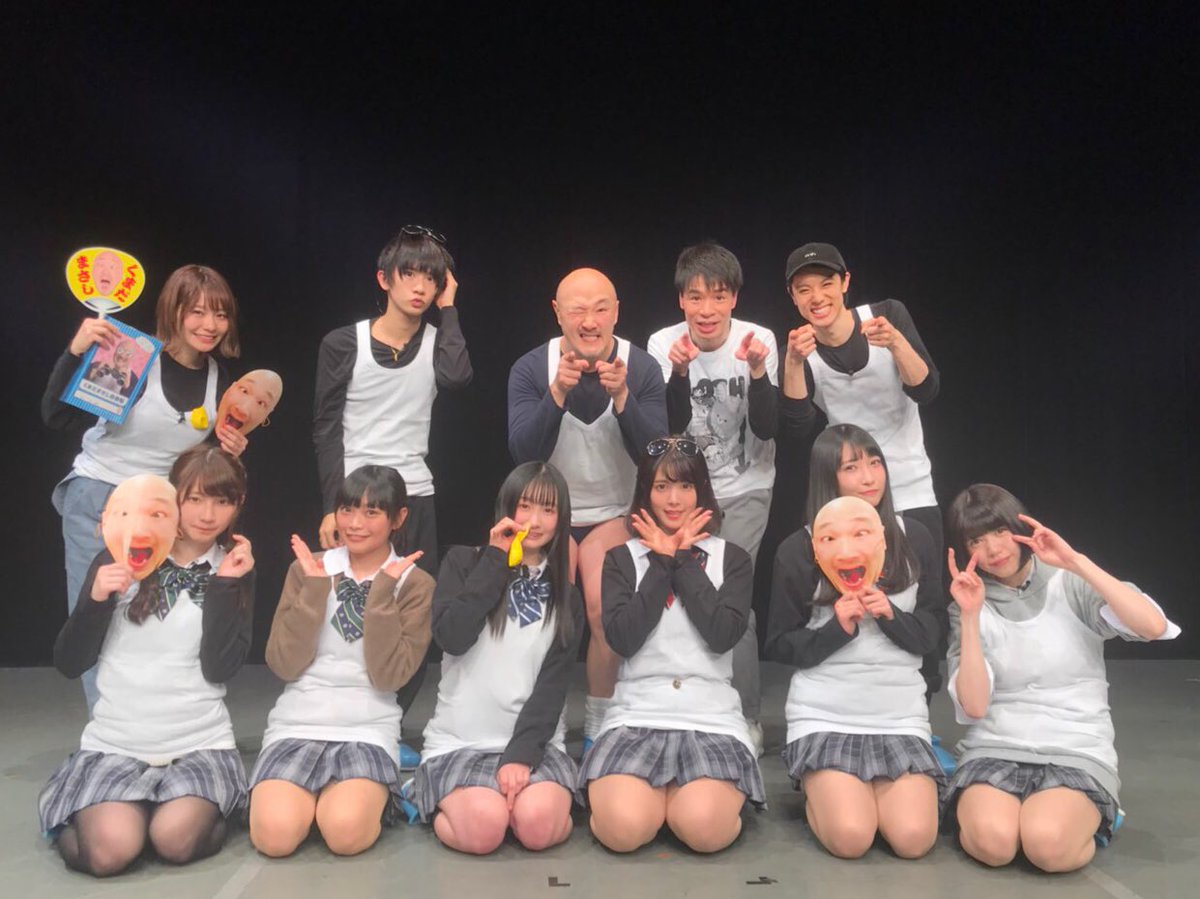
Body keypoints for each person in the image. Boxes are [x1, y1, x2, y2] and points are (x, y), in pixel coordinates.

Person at [38, 455, 255, 877]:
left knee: (174, 841)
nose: (207, 515)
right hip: (117, 742)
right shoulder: (120, 555)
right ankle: (75, 811)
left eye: (222, 501)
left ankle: (210, 806)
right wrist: (95, 601)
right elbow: (69, 662)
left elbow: (220, 668)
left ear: (238, 504)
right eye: (194, 499)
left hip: (199, 742)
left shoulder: (235, 567)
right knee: (109, 854)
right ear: (172, 498)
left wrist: (225, 586)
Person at [943, 484, 1179, 873]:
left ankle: (1092, 816)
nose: (993, 549)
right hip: (996, 747)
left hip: (1075, 746)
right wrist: (970, 616)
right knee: (993, 844)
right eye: (976, 540)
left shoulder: (1068, 582)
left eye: (1000, 531)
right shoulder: (968, 601)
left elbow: (1151, 626)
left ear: (1020, 528)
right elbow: (975, 706)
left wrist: (1076, 562)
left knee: (1047, 846)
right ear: (964, 550)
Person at [43, 264, 247, 711]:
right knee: (98, 606)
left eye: (220, 314)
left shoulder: (220, 379)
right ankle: (107, 726)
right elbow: (58, 417)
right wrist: (76, 353)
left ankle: (153, 720)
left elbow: (198, 461)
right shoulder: (136, 358)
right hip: (100, 498)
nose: (210, 325)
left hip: (163, 509)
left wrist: (228, 448)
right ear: (174, 311)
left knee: (149, 616)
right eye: (197, 312)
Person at [312, 225, 469, 766]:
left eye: (432, 278)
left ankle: (391, 724)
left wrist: (450, 312)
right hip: (356, 499)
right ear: (384, 279)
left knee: (413, 617)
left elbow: (457, 378)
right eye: (410, 275)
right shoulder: (343, 343)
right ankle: (344, 720)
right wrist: (332, 506)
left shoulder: (438, 339)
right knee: (348, 616)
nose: (420, 287)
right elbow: (325, 428)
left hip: (414, 495)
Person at [764, 426, 944, 859]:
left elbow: (933, 630)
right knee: (851, 837)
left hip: (899, 716)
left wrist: (890, 616)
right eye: (851, 467)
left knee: (913, 839)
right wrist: (837, 629)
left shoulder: (915, 536)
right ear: (828, 477)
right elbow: (779, 644)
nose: (869, 477)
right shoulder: (799, 548)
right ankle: (818, 789)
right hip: (826, 714)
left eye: (874, 463)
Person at [507, 267, 667, 749]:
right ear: (558, 314)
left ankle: (600, 723)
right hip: (548, 517)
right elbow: (523, 454)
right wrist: (556, 393)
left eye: (601, 309)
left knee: (600, 611)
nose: (590, 321)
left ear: (617, 312)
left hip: (615, 512)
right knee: (546, 616)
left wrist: (623, 397)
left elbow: (657, 456)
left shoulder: (642, 367)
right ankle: (543, 723)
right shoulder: (531, 368)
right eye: (577, 310)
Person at [779, 242, 946, 702]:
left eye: (826, 284)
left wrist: (896, 343)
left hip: (910, 485)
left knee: (921, 599)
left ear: (845, 283)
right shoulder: (801, 347)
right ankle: (851, 699)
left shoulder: (886, 315)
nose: (817, 297)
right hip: (849, 497)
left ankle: (920, 707)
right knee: (852, 598)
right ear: (793, 297)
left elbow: (927, 389)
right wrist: (792, 362)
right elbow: (796, 426)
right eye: (804, 290)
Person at [580, 437, 763, 853]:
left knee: (704, 830)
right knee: (623, 831)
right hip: (637, 714)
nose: (674, 499)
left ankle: (689, 803)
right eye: (661, 487)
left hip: (710, 717)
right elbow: (623, 639)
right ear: (645, 492)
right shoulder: (621, 559)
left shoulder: (731, 558)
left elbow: (722, 635)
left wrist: (680, 558)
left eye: (685, 485)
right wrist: (660, 562)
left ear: (702, 490)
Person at [248, 465, 433, 858]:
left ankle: (373, 796)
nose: (355, 524)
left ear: (398, 518)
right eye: (347, 510)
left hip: (367, 728)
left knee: (345, 833)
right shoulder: (309, 569)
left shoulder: (414, 584)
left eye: (371, 512)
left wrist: (381, 594)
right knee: (275, 837)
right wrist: (315, 590)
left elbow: (389, 677)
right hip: (297, 723)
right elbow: (283, 664)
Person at [646, 241, 778, 754]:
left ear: (734, 298)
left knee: (733, 597)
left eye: (718, 296)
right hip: (684, 493)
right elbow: (667, 427)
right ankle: (684, 703)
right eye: (695, 297)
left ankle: (746, 716)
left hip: (746, 487)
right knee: (681, 592)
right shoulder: (663, 343)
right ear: (681, 298)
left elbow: (767, 427)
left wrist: (760, 372)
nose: (707, 309)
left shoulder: (757, 339)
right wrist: (679, 373)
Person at [415, 462, 582, 853]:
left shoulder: (567, 595)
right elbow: (452, 637)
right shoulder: (464, 563)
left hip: (534, 744)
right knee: (484, 830)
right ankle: (435, 801)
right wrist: (496, 559)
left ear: (561, 519)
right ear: (507, 508)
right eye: (525, 506)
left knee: (538, 827)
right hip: (461, 741)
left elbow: (553, 687)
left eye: (548, 509)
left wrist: (521, 756)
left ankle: (522, 806)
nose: (534, 521)